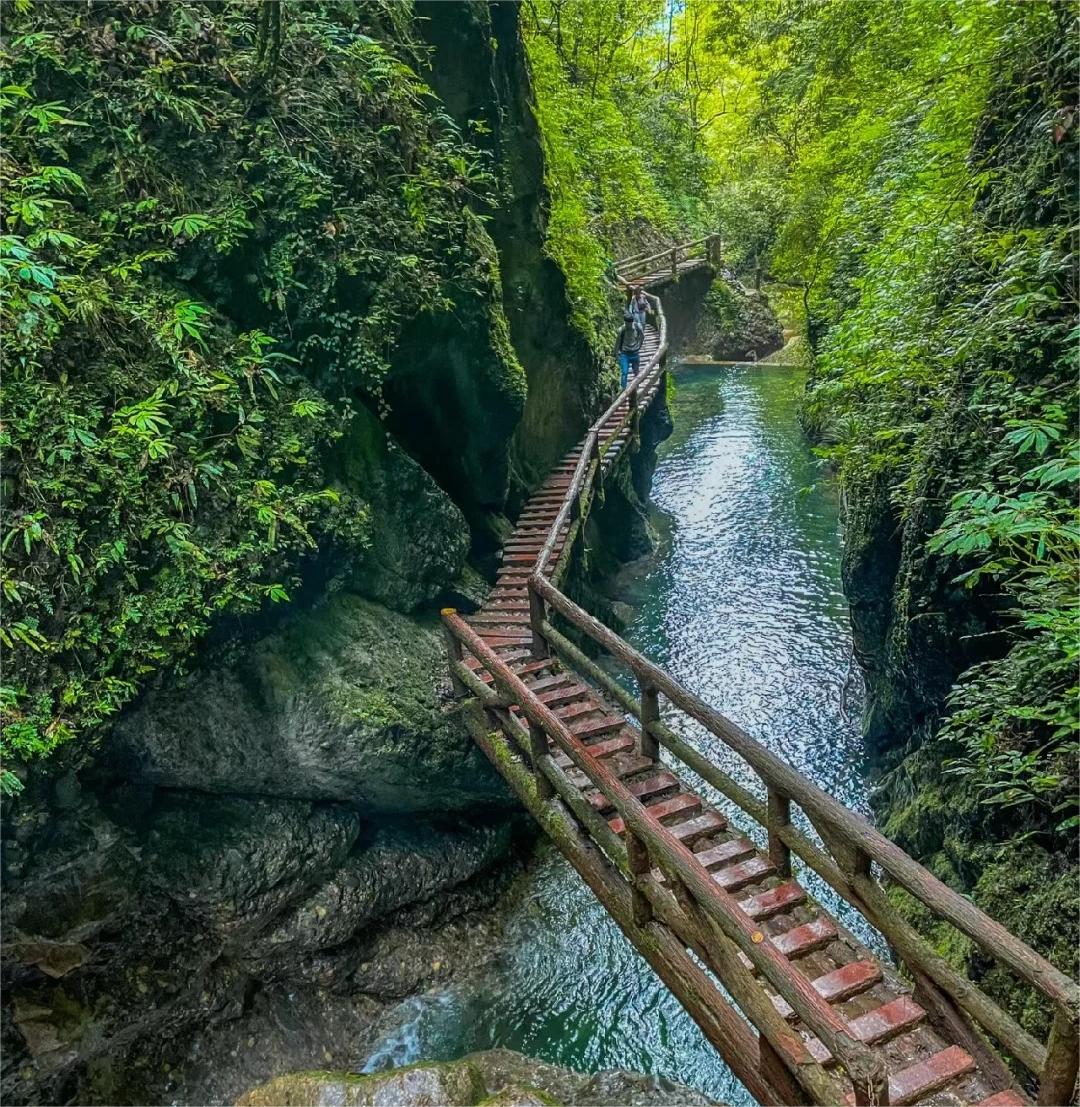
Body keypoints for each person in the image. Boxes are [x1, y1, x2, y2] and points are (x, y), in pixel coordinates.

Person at [615, 309, 645, 389]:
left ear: (632, 321)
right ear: (625, 322)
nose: (629, 325)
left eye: (630, 323)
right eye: (627, 323)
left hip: (635, 353)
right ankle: (623, 390)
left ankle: (636, 387)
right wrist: (616, 354)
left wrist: (639, 345)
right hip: (625, 354)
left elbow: (642, 336)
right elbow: (617, 343)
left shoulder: (637, 327)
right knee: (624, 372)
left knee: (636, 372)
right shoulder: (621, 330)